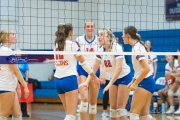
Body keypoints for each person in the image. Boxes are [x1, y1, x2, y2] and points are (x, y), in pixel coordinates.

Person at [80, 28, 132, 120]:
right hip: (113, 78)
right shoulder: (101, 50)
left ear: (108, 37)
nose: (99, 37)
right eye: (98, 35)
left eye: (102, 35)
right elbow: (94, 67)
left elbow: (119, 68)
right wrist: (87, 82)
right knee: (113, 111)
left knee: (120, 110)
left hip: (124, 77)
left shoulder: (116, 47)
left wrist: (110, 84)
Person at [54, 23, 100, 120]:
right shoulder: (73, 45)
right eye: (73, 30)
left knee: (68, 114)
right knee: (71, 116)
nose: (74, 32)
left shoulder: (56, 44)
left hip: (58, 81)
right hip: (69, 80)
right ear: (70, 32)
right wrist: (94, 77)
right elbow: (84, 63)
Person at [122, 26, 156, 120]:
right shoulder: (136, 47)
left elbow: (146, 69)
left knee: (133, 115)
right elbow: (139, 69)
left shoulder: (137, 48)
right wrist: (133, 80)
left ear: (128, 35)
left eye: (123, 34)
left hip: (145, 83)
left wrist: (136, 83)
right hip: (147, 82)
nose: (122, 37)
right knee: (145, 116)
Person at [0, 29, 29, 120]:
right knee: (3, 115)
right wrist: (25, 86)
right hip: (6, 86)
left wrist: (18, 87)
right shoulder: (8, 51)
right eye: (13, 34)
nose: (15, 36)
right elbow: (16, 70)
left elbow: (11, 71)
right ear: (6, 37)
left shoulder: (3, 50)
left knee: (17, 114)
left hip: (9, 86)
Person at [76, 21, 100, 120]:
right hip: (82, 69)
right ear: (84, 28)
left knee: (93, 101)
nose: (90, 28)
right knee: (84, 98)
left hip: (94, 70)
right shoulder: (79, 39)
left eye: (91, 26)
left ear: (94, 28)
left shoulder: (99, 40)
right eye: (88, 26)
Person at [16, 49, 30, 117]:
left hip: (22, 80)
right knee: (14, 96)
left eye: (19, 52)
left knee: (23, 95)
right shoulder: (13, 61)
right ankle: (13, 111)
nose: (18, 53)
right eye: (16, 52)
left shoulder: (24, 61)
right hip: (14, 80)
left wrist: (26, 81)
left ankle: (24, 112)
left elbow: (27, 71)